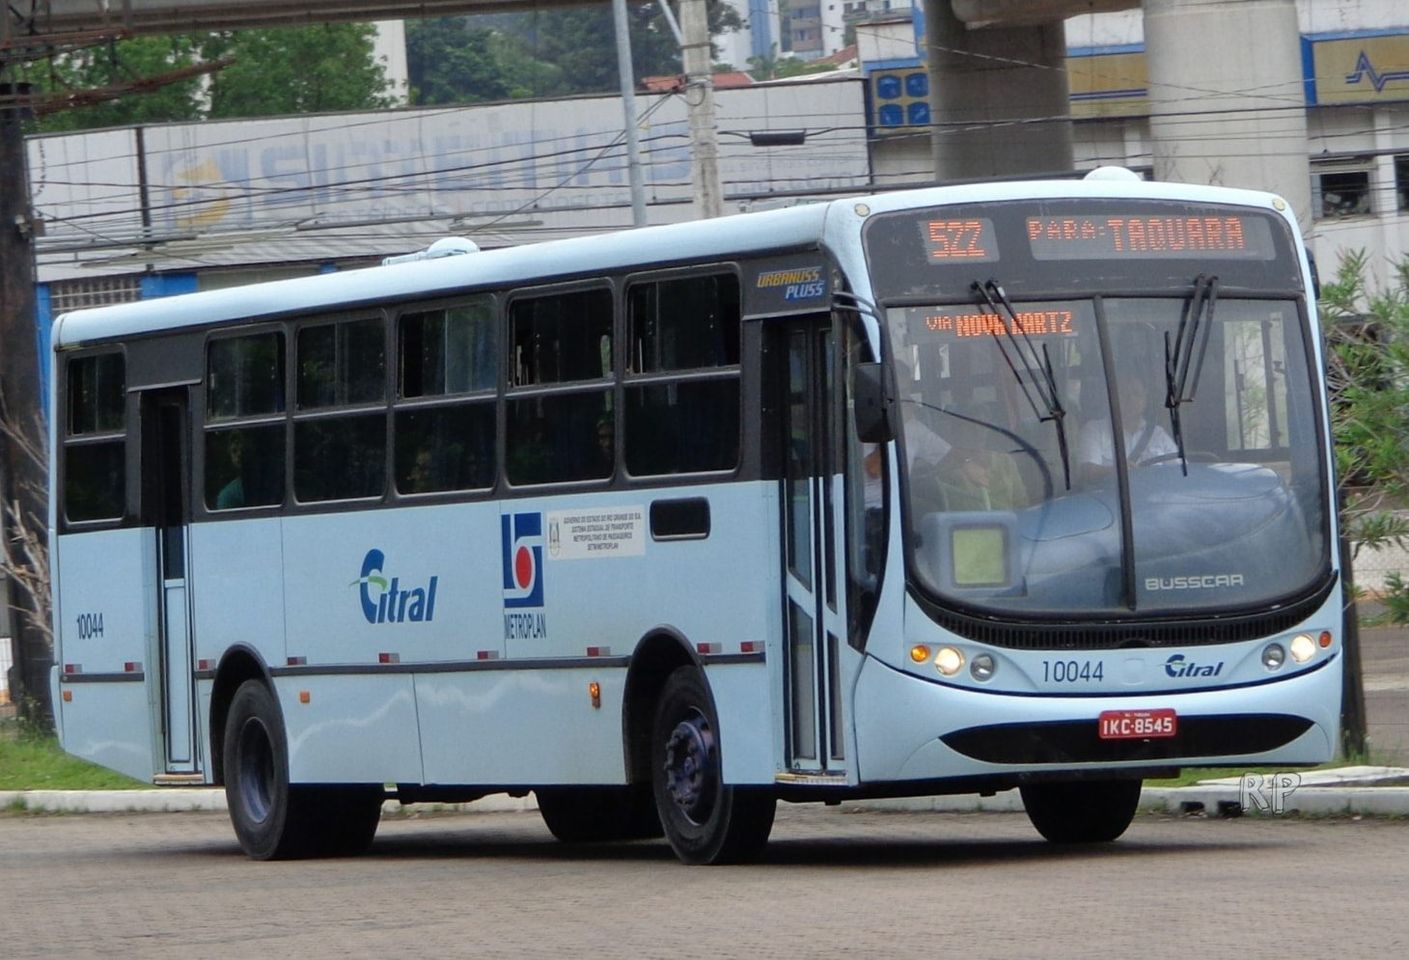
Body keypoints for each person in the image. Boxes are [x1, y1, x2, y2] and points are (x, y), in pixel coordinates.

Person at [1077, 374, 1177, 480]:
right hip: (1114, 495)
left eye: (1137, 394)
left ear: (1145, 399)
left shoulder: (1158, 434)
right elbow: (1087, 472)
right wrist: (1115, 471)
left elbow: (1180, 469)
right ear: (1111, 397)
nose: (1131, 399)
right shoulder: (1094, 430)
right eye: (1124, 394)